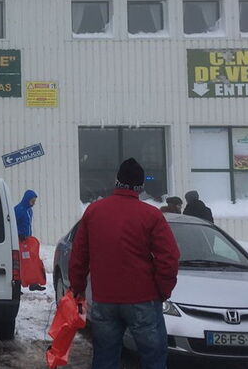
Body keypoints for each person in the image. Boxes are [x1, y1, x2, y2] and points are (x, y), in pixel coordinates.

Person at [68, 158, 180, 369]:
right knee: (153, 358)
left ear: (117, 181)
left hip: (104, 299)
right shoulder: (151, 215)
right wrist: (162, 291)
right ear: (140, 186)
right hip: (143, 299)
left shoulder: (94, 211)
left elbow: (79, 256)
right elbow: (169, 258)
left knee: (105, 356)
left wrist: (78, 288)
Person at [14, 189, 45, 291]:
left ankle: (33, 283)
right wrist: (18, 234)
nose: (33, 203)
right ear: (27, 199)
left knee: (31, 262)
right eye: (32, 201)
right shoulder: (19, 209)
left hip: (27, 241)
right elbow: (12, 223)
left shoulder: (29, 210)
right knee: (19, 264)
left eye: (34, 201)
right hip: (19, 241)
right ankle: (17, 285)